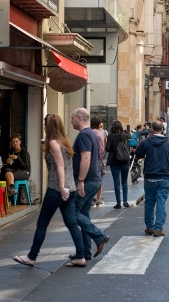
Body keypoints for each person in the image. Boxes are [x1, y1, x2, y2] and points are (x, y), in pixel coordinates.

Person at [12, 114, 86, 268]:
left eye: (45, 124)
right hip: (70, 188)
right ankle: (81, 256)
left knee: (42, 223)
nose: (43, 126)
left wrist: (60, 187)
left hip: (57, 189)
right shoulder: (65, 142)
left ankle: (31, 257)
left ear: (49, 126)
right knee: (72, 223)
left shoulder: (53, 143)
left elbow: (59, 166)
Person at [70, 108, 110, 261]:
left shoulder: (84, 135)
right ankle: (85, 252)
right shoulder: (92, 134)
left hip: (87, 181)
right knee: (84, 215)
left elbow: (86, 158)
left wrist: (80, 181)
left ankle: (99, 236)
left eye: (73, 117)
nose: (71, 120)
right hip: (94, 179)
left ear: (80, 118)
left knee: (73, 213)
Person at [135, 121, 169, 237]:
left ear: (151, 130)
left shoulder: (146, 142)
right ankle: (158, 228)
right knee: (161, 203)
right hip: (164, 177)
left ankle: (149, 226)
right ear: (162, 130)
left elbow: (138, 154)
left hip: (150, 177)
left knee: (149, 202)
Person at [105, 120, 131, 209]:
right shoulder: (125, 136)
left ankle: (118, 203)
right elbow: (130, 137)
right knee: (124, 182)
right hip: (125, 162)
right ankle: (125, 201)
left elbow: (107, 149)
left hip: (114, 162)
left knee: (116, 183)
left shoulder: (110, 136)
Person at [91, 118, 106, 207]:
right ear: (99, 124)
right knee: (99, 181)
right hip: (97, 162)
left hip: (88, 161)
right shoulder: (100, 135)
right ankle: (98, 199)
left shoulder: (88, 133)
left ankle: (90, 199)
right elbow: (101, 150)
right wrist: (100, 161)